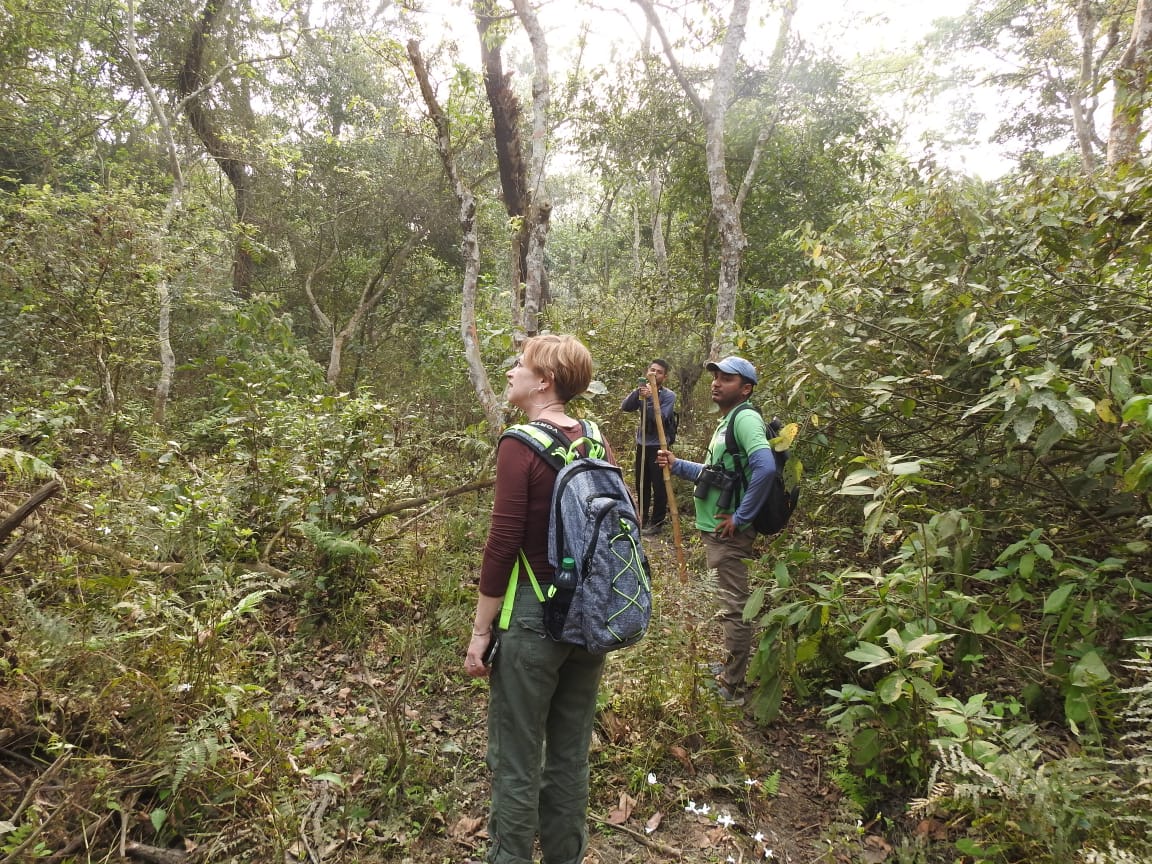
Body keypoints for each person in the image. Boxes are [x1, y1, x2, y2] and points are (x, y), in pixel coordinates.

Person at [465, 334, 616, 864]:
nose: (510, 372)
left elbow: (503, 542)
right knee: (571, 753)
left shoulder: (519, 443)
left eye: (520, 365)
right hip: (591, 615)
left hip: (532, 615)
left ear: (544, 380)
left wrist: (481, 631)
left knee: (516, 756)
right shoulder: (594, 440)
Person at [656, 356, 775, 705]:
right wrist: (678, 466)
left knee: (734, 608)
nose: (716, 383)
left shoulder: (746, 419)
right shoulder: (728, 421)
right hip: (717, 530)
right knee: (727, 604)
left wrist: (740, 517)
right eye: (716, 377)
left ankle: (733, 686)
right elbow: (715, 472)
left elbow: (765, 468)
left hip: (730, 533)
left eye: (727, 379)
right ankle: (728, 669)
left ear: (746, 389)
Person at [620, 359, 677, 534]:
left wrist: (651, 398)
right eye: (651, 370)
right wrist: (639, 393)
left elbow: (659, 417)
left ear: (664, 376)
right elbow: (626, 407)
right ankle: (642, 518)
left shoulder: (668, 396)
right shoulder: (642, 391)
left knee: (659, 484)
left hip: (659, 445)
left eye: (658, 371)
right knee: (641, 482)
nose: (654, 373)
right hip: (642, 444)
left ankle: (657, 522)